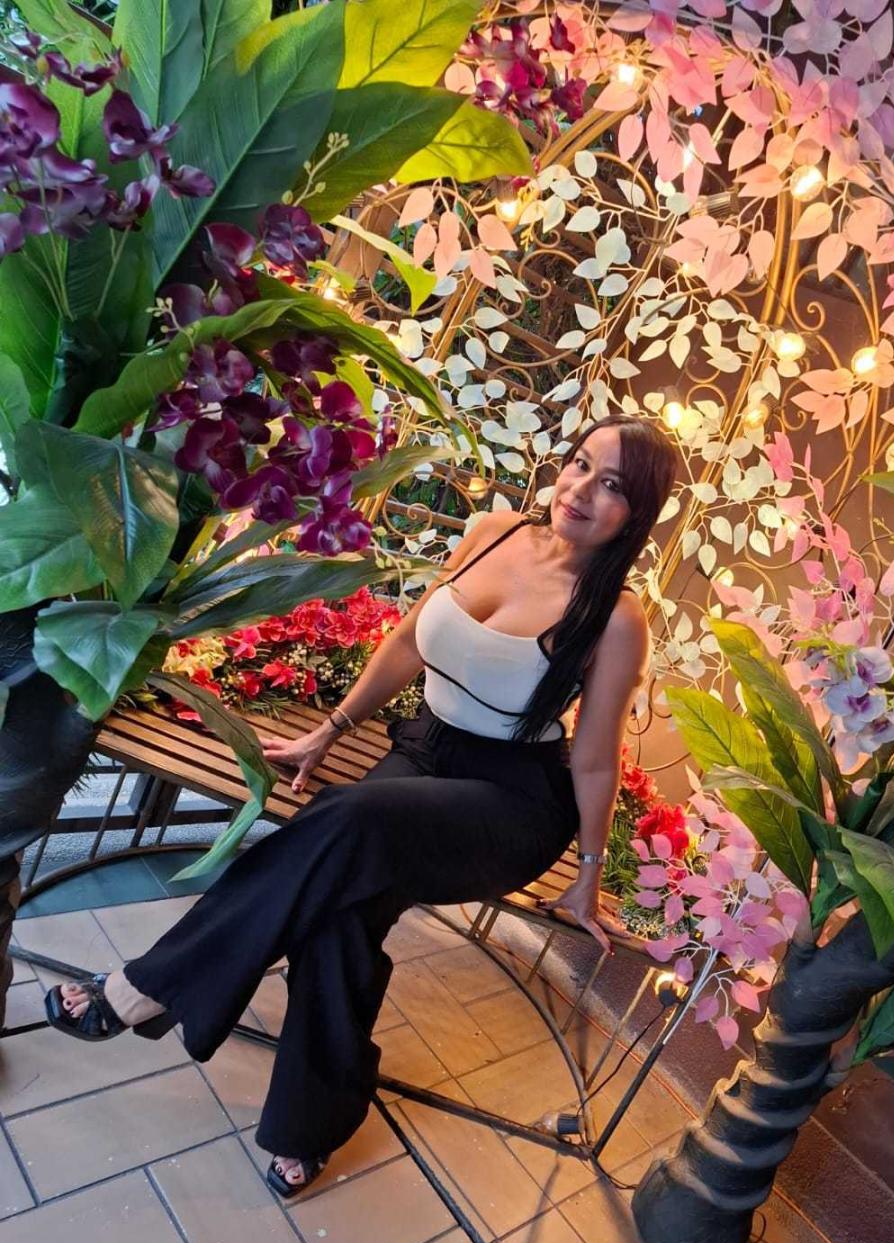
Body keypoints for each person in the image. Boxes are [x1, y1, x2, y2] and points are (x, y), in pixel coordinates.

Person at [43, 416, 679, 1196]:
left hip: (511, 803)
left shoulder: (616, 617)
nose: (580, 489)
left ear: (636, 513)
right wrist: (331, 729)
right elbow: (410, 641)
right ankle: (305, 1128)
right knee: (342, 914)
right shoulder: (494, 531)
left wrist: (587, 873)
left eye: (611, 485)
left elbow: (593, 756)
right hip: (424, 753)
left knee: (350, 819)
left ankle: (150, 985)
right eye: (580, 464)